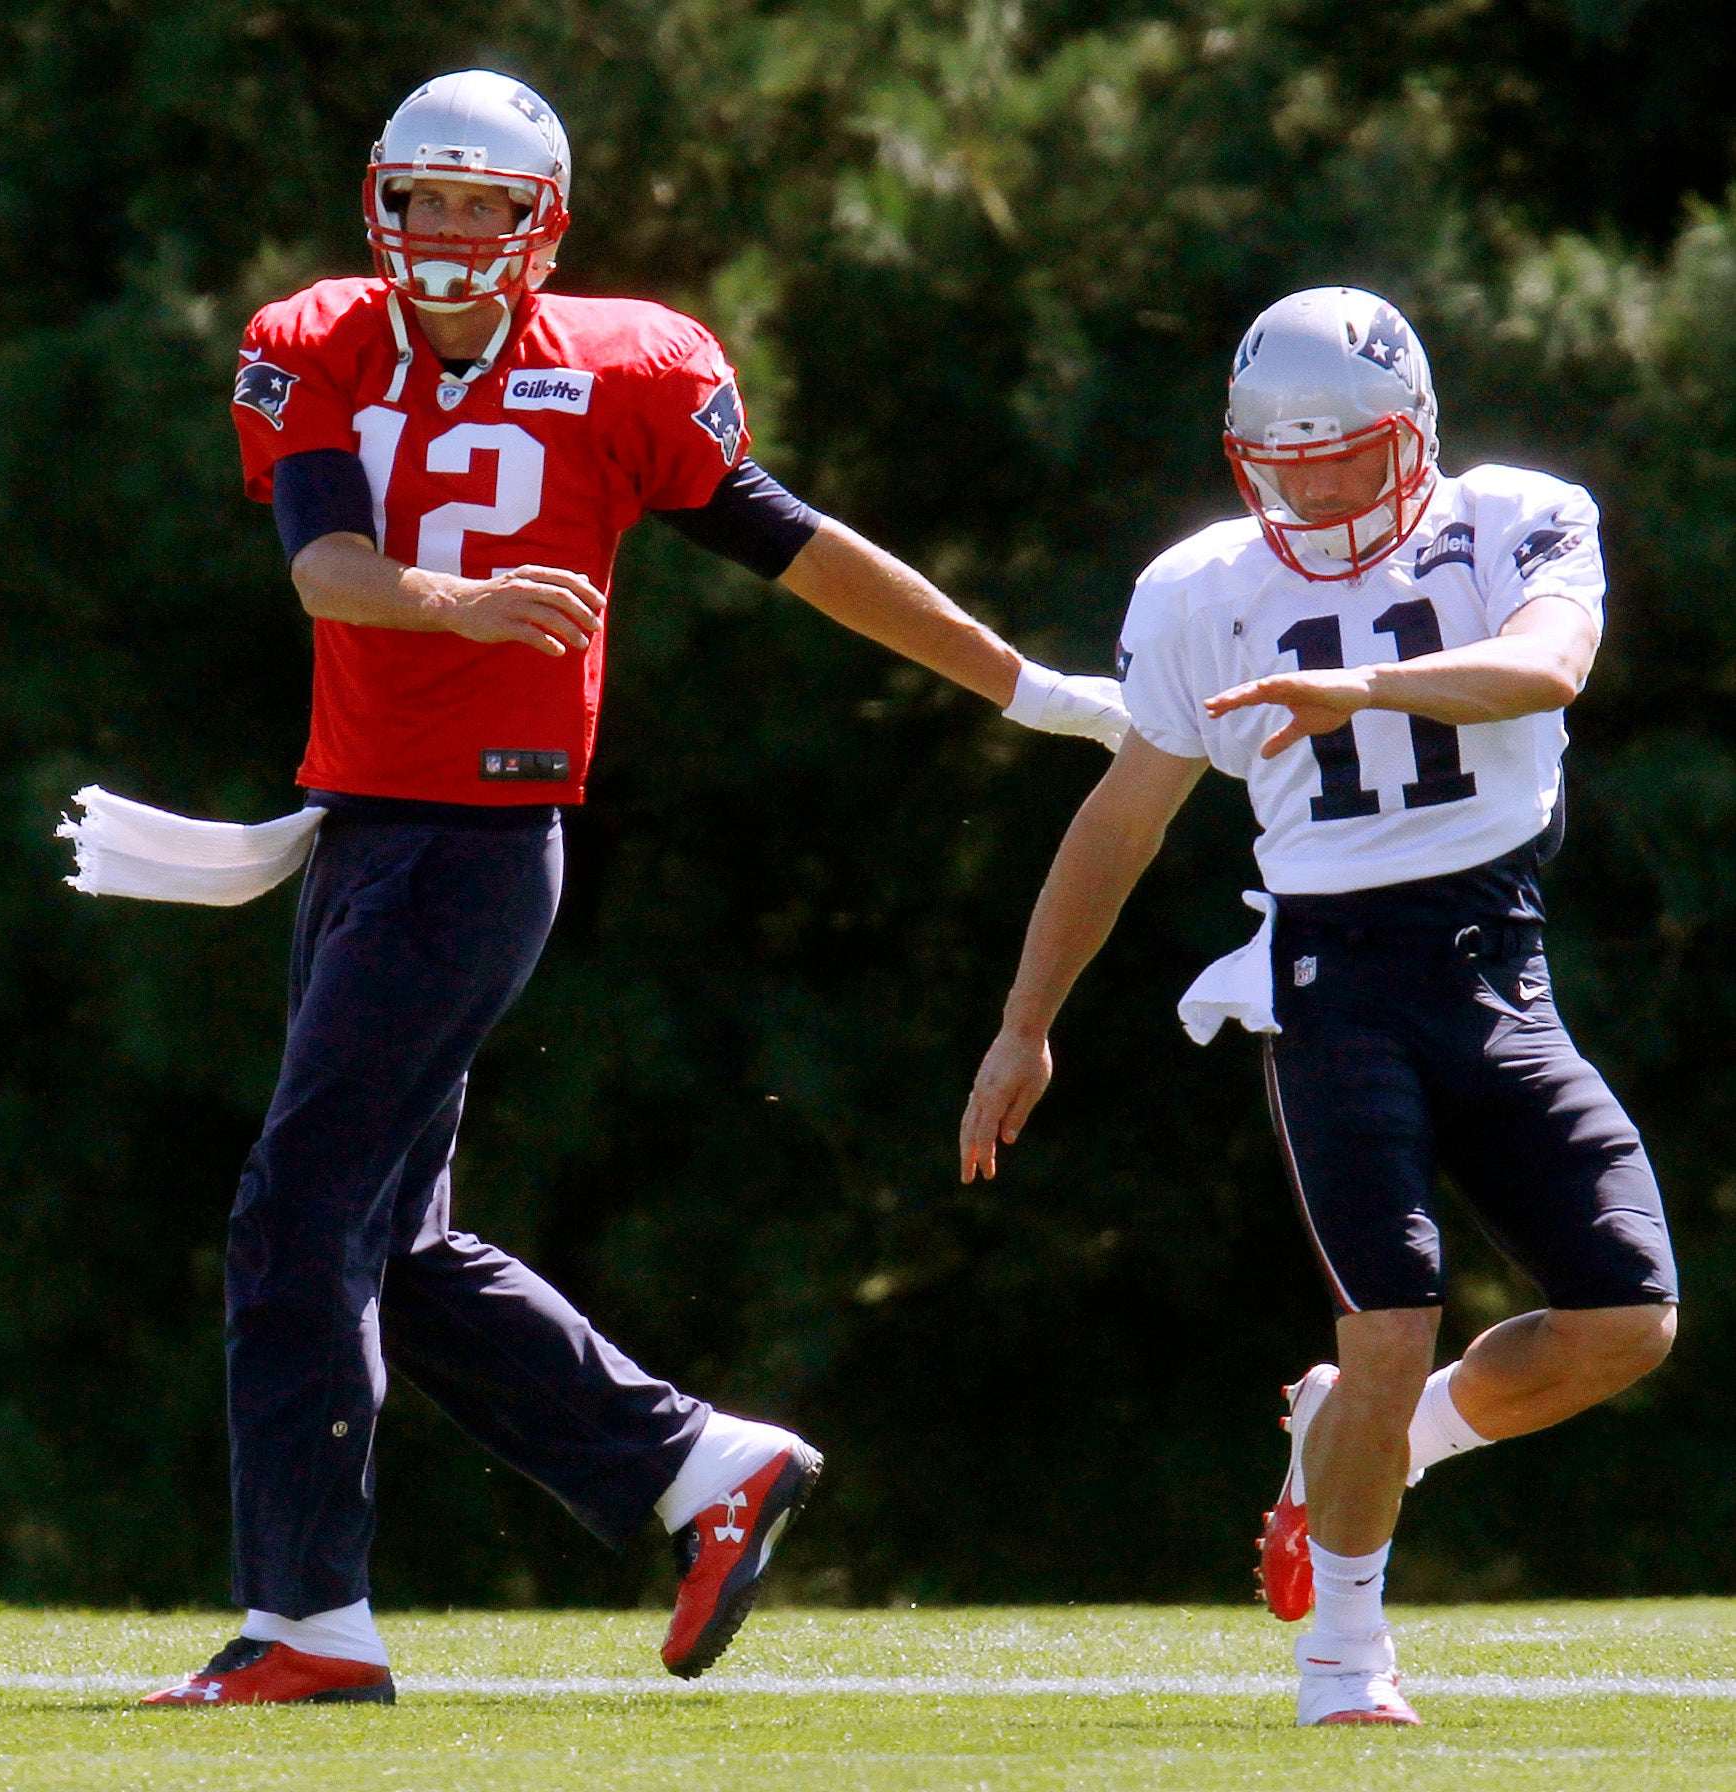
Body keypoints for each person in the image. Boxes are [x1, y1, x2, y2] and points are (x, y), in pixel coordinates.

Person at [142, 69, 1128, 1707]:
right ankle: (696, 1466)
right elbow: (320, 564)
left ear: (542, 226)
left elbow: (795, 541)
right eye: (426, 198)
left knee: (297, 1215)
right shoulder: (315, 340)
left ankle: (308, 1623)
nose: (449, 231)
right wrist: (454, 604)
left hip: (476, 848)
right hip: (363, 829)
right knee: (384, 1245)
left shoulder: (624, 370)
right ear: (382, 202)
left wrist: (1018, 684)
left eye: (482, 203)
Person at [958, 287, 1676, 1727]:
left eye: (1341, 451)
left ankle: (1367, 1441)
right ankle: (1346, 1656)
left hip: (1494, 957)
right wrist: (1024, 1020)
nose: (1310, 481)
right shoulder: (1202, 587)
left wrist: (1363, 683)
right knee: (1389, 1323)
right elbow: (1124, 817)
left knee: (1625, 1322)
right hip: (1335, 975)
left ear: (1409, 435)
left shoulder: (1515, 516)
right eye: (1280, 456)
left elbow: (1550, 665)